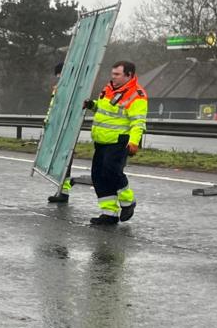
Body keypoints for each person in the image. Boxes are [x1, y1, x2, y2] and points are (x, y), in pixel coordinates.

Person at [82, 61, 146, 226]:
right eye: (113, 74)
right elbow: (104, 111)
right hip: (101, 140)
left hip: (119, 140)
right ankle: (109, 213)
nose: (113, 77)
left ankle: (128, 202)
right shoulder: (108, 89)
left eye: (117, 74)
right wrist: (92, 105)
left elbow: (138, 122)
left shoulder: (136, 95)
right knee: (98, 176)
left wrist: (134, 141)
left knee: (112, 172)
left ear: (129, 75)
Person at [43, 62, 72, 203]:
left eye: (60, 75)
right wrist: (48, 121)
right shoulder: (58, 89)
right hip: (57, 127)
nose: (59, 78)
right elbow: (53, 107)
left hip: (67, 128)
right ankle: (62, 191)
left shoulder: (73, 88)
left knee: (65, 160)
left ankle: (63, 191)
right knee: (59, 160)